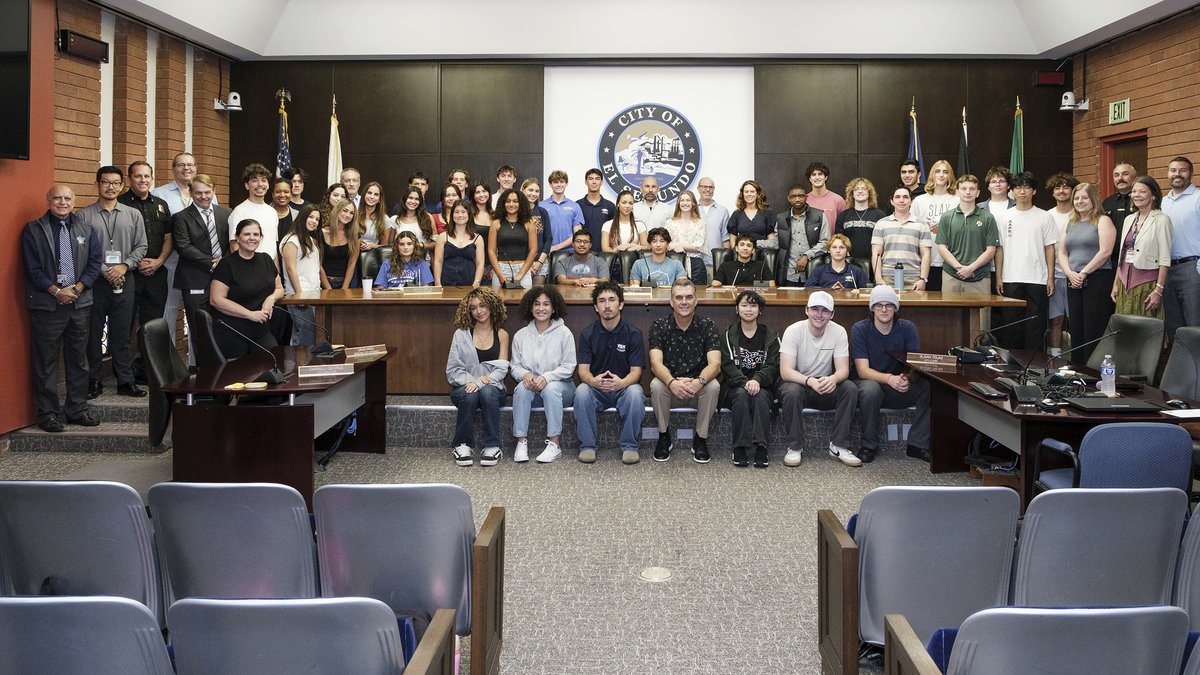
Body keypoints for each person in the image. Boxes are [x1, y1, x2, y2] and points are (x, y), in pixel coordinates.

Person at [22, 185, 103, 432]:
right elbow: (32, 268)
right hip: (48, 306)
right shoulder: (33, 230)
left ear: (74, 201)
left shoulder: (86, 229)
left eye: (67, 198)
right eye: (57, 198)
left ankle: (77, 409)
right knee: (45, 362)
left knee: (79, 360)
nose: (62, 202)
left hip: (79, 304)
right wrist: (56, 291)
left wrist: (76, 289)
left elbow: (94, 263)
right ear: (48, 201)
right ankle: (47, 413)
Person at [75, 165, 148, 399]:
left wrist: (124, 265)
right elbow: (81, 249)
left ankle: (125, 381)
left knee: (123, 333)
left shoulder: (133, 214)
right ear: (97, 184)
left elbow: (142, 246)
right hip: (94, 282)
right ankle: (94, 380)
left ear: (122, 185)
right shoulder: (84, 216)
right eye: (106, 182)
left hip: (125, 279)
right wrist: (106, 269)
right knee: (93, 333)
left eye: (116, 183)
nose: (111, 187)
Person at [778, 291, 860, 468]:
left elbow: (844, 370)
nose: (819, 315)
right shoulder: (793, 330)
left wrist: (833, 379)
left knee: (850, 388)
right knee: (790, 390)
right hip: (801, 383)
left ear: (832, 314)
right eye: (815, 309)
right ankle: (794, 447)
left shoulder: (839, 332)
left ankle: (838, 446)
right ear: (806, 310)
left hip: (825, 384)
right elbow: (785, 371)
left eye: (825, 310)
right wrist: (809, 381)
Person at [850, 285, 931, 464]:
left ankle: (918, 444)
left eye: (889, 305)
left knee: (928, 386)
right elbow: (863, 371)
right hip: (869, 385)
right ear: (872, 308)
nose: (884, 309)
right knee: (871, 390)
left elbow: (915, 365)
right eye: (879, 305)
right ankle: (868, 445)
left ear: (896, 308)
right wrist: (889, 379)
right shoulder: (860, 329)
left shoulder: (907, 328)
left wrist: (908, 379)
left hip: (897, 386)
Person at [648, 278, 722, 463]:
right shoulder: (659, 326)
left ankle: (700, 439)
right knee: (656, 385)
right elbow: (655, 364)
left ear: (696, 301)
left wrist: (699, 382)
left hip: (698, 388)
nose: (684, 302)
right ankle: (664, 436)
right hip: (670, 388)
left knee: (713, 386)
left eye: (689, 297)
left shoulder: (707, 325)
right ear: (671, 302)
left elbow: (715, 364)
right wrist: (672, 382)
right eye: (679, 297)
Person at [573, 281, 647, 464]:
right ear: (596, 307)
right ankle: (587, 446)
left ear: (621, 304)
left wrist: (621, 383)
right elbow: (583, 371)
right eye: (602, 301)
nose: (607, 305)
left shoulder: (633, 333)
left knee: (636, 393)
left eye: (612, 300)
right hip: (596, 389)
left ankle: (630, 446)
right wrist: (593, 381)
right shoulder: (587, 333)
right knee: (581, 391)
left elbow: (636, 372)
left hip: (623, 388)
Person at [117, 160, 173, 376]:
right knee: (125, 323)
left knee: (151, 324)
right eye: (138, 176)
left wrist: (159, 261)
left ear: (152, 178)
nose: (142, 180)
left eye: (146, 176)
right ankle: (123, 372)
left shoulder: (160, 204)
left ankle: (145, 370)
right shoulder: (120, 204)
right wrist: (134, 261)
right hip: (130, 273)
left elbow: (168, 238)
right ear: (129, 179)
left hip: (157, 272)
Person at [509, 286, 576, 464]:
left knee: (550, 388)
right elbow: (514, 366)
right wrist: (526, 376)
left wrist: (547, 377)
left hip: (562, 389)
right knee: (521, 389)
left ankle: (554, 444)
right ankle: (521, 442)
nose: (541, 308)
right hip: (532, 390)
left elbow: (569, 367)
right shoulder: (520, 336)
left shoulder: (564, 333)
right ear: (530, 307)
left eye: (546, 304)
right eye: (537, 304)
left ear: (554, 308)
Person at [446, 287, 509, 467]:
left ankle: (492, 446)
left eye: (482, 306)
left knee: (488, 392)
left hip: (493, 388)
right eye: (473, 308)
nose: (479, 311)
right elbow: (452, 370)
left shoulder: (502, 334)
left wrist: (482, 381)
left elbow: (502, 368)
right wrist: (473, 382)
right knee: (470, 394)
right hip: (464, 387)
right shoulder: (461, 334)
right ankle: (462, 445)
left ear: (492, 306)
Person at [994, 172, 1057, 350]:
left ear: (1034, 191)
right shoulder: (1004, 217)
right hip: (1011, 277)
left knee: (1035, 326)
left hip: (1038, 279)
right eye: (1018, 187)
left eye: (1027, 187)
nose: (1022, 191)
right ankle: (1012, 365)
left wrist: (1050, 277)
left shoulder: (1044, 216)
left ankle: (1035, 365)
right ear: (1012, 191)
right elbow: (999, 249)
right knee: (1011, 325)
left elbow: (1049, 248)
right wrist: (999, 276)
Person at [720, 290, 780, 468]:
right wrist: (745, 382)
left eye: (753, 305)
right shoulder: (728, 335)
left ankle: (761, 446)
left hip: (762, 385)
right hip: (735, 386)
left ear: (760, 310)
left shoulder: (771, 336)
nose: (748, 309)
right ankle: (740, 446)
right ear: (737, 310)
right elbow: (727, 365)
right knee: (741, 395)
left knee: (760, 396)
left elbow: (773, 366)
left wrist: (757, 380)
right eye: (744, 305)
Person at [209, 218, 285, 359]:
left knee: (272, 363)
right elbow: (216, 300)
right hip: (232, 330)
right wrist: (250, 314)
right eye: (247, 234)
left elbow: (280, 288)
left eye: (256, 235)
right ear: (237, 238)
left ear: (261, 238)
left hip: (260, 329)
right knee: (238, 375)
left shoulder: (266, 260)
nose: (252, 238)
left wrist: (271, 298)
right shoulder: (226, 264)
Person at [1059, 182, 1116, 363]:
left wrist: (1083, 272)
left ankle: (1093, 371)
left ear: (1093, 199)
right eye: (1076, 198)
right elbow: (1062, 252)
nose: (1080, 201)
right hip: (1073, 279)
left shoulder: (1103, 220)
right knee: (1076, 327)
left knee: (1093, 327)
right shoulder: (1071, 222)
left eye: (1084, 197)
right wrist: (1069, 273)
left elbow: (1105, 251)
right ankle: (1077, 369)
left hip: (1097, 279)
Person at [172, 174, 230, 342]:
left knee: (223, 327)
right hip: (195, 280)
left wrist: (224, 263)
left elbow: (233, 243)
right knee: (200, 329)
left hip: (224, 280)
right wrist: (213, 264)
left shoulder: (227, 213)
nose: (203, 197)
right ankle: (202, 368)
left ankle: (225, 367)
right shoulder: (181, 217)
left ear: (214, 191)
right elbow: (183, 247)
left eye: (207, 192)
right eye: (198, 193)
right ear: (190, 192)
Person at [1112, 175, 1172, 319]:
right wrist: (1115, 284)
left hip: (1146, 285)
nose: (1136, 195)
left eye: (1142, 191)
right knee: (1125, 329)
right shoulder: (1129, 219)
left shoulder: (1161, 220)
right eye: (1134, 191)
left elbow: (1165, 258)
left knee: (1145, 331)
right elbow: (1123, 254)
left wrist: (1158, 290)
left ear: (1153, 196)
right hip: (1123, 284)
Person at [935, 174, 999, 294]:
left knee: (980, 313)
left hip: (979, 277)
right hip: (951, 275)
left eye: (972, 189)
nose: (968, 192)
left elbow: (991, 250)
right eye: (964, 189)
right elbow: (942, 248)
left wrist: (970, 268)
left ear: (978, 192)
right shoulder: (947, 217)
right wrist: (960, 268)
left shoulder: (988, 218)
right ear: (957, 192)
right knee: (951, 313)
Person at [279, 204, 331, 346]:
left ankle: (295, 366)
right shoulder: (291, 240)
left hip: (313, 294)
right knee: (306, 336)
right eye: (311, 217)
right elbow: (290, 268)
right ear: (302, 217)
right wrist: (299, 294)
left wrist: (328, 289)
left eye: (317, 219)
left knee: (301, 335)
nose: (314, 221)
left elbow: (317, 267)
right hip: (298, 295)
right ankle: (301, 366)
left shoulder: (311, 240)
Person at [1161, 156, 1200, 339]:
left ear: (1191, 173)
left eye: (1183, 170)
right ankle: (1179, 367)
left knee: (1194, 325)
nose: (1177, 174)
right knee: (1173, 326)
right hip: (1167, 270)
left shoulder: (1198, 197)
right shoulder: (1162, 202)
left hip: (1192, 268)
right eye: (1173, 170)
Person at [1045, 172, 1080, 356]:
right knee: (1055, 320)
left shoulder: (1080, 214)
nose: (1061, 191)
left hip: (1077, 275)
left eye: (1066, 187)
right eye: (1057, 187)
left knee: (1076, 320)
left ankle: (1076, 358)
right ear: (1052, 192)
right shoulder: (1047, 215)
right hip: (1055, 275)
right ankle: (1055, 357)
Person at [871, 186, 931, 291]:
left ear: (911, 201)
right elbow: (876, 253)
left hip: (913, 279)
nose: (901, 200)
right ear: (892, 201)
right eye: (897, 197)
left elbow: (926, 254)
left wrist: (923, 279)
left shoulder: (921, 225)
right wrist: (878, 278)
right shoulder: (881, 224)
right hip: (887, 278)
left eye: (905, 197)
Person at [912, 160, 958, 291]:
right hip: (925, 263)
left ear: (950, 175)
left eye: (945, 172)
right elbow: (913, 230)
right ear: (932, 174)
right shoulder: (920, 201)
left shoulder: (958, 200)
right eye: (938, 171)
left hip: (951, 262)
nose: (941, 175)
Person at [775, 185, 829, 287]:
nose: (797, 199)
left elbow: (826, 242)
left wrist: (806, 256)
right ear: (789, 198)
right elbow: (777, 242)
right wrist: (754, 243)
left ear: (806, 197)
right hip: (789, 274)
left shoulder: (819, 215)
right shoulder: (781, 218)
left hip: (814, 271)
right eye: (793, 196)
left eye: (801, 196)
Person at [488, 188, 539, 289]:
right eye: (508, 201)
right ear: (503, 203)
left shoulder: (529, 223)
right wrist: (499, 275)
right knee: (498, 304)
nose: (511, 204)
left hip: (523, 269)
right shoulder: (496, 223)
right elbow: (491, 251)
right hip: (501, 269)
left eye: (515, 201)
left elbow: (534, 250)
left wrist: (520, 274)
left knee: (525, 303)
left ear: (521, 204)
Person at [228, 164, 280, 260]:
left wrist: (277, 271)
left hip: (270, 269)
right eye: (254, 180)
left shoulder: (272, 212)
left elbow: (273, 246)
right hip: (249, 269)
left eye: (264, 180)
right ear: (247, 185)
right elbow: (234, 245)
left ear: (268, 185)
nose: (260, 184)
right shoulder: (239, 211)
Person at [836, 178, 884, 273]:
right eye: (856, 189)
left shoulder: (880, 215)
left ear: (869, 193)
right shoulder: (843, 215)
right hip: (849, 263)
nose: (860, 191)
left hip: (874, 263)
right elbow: (839, 240)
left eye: (864, 188)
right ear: (851, 194)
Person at [433, 201, 485, 287]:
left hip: (470, 284)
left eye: (463, 212)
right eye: (456, 212)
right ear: (452, 215)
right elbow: (438, 261)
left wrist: (477, 282)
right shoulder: (443, 237)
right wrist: (438, 283)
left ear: (469, 214)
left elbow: (480, 263)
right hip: (446, 283)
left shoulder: (478, 239)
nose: (460, 215)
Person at [664, 189, 709, 283]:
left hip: (696, 265)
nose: (685, 203)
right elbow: (665, 244)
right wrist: (673, 247)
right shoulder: (670, 223)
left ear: (693, 203)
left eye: (688, 200)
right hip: (675, 262)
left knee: (699, 295)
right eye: (682, 200)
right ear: (678, 203)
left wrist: (677, 244)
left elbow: (699, 246)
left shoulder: (700, 223)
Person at [539, 169, 585, 255]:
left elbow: (577, 235)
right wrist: (547, 249)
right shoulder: (541, 206)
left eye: (562, 182)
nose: (559, 184)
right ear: (550, 184)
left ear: (566, 184)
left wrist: (555, 248)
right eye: (555, 182)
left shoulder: (575, 206)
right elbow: (537, 232)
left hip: (569, 253)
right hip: (545, 253)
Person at [1103, 162, 1137, 269]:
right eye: (1116, 175)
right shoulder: (1107, 203)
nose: (1120, 178)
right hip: (1111, 260)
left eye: (1125, 174)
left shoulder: (1140, 200)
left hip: (1137, 260)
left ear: (1135, 177)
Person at [522, 178, 555, 282]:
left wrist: (540, 262)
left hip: (539, 262)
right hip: (520, 262)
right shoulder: (515, 212)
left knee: (537, 295)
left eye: (536, 191)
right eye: (530, 190)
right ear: (523, 190)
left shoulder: (542, 212)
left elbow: (548, 239)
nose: (533, 194)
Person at [697, 177, 731, 276]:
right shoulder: (691, 208)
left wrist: (727, 262)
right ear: (698, 189)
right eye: (704, 187)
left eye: (711, 187)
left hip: (716, 262)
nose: (708, 190)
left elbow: (725, 237)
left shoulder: (722, 210)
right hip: (695, 262)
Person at [322, 198, 359, 289]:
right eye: (345, 211)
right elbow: (317, 263)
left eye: (351, 213)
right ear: (337, 211)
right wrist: (327, 288)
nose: (347, 215)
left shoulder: (355, 235)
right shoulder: (321, 233)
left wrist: (344, 288)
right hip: (322, 283)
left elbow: (352, 263)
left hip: (345, 283)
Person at [727, 179, 776, 248]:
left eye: (752, 191)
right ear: (742, 194)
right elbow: (732, 238)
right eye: (746, 192)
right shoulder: (736, 214)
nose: (749, 194)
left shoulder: (766, 213)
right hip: (742, 256)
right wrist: (736, 253)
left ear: (757, 194)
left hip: (762, 254)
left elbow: (771, 238)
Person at [577, 168, 616, 245]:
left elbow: (614, 231)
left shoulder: (610, 206)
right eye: (590, 179)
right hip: (583, 250)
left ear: (601, 182)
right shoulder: (578, 205)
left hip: (604, 252)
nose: (594, 182)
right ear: (586, 182)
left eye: (597, 179)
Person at [805, 162, 847, 227]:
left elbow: (845, 223)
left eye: (820, 174)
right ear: (810, 179)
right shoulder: (804, 200)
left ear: (826, 177)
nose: (817, 177)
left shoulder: (838, 200)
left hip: (832, 237)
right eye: (813, 174)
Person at [356, 181, 393, 250]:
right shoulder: (354, 214)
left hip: (372, 256)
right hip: (352, 253)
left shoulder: (385, 219)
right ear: (364, 195)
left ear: (379, 199)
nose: (372, 197)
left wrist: (373, 245)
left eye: (376, 194)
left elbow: (385, 247)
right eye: (369, 193)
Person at [269, 177, 298, 245]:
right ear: (272, 194)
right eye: (278, 192)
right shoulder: (264, 213)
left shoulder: (297, 216)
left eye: (286, 192)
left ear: (291, 194)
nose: (282, 195)